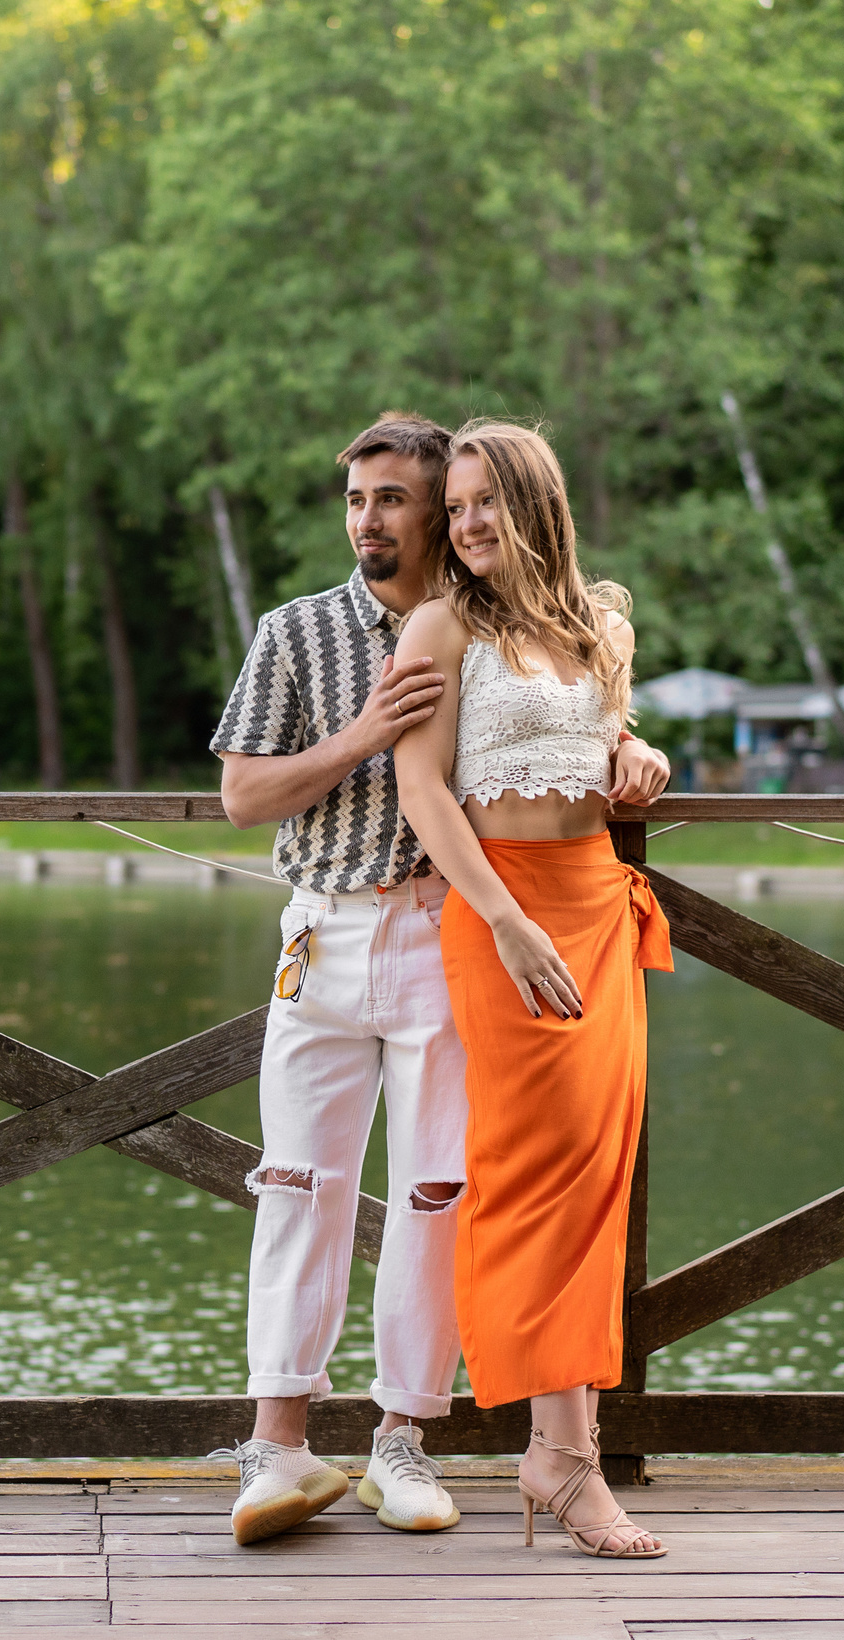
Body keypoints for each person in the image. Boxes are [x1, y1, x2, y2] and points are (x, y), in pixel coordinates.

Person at [390, 419, 675, 1560]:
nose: (461, 526)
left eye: (479, 504)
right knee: (534, 1171)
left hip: (597, 904)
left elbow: (605, 747)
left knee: (598, 1171)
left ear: (533, 501)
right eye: (451, 509)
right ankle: (564, 1459)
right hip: (501, 914)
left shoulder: (603, 623)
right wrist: (503, 924)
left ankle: (562, 1456)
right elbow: (421, 788)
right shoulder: (439, 623)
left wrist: (640, 760)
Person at [207, 412, 467, 1545]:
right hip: (319, 937)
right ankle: (278, 1449)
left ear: (439, 510)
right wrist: (361, 735)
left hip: (439, 937)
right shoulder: (296, 632)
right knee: (297, 1185)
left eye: (392, 499)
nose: (368, 518)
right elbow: (243, 796)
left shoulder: (486, 630)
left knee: (431, 1196)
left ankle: (400, 1443)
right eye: (356, 499)